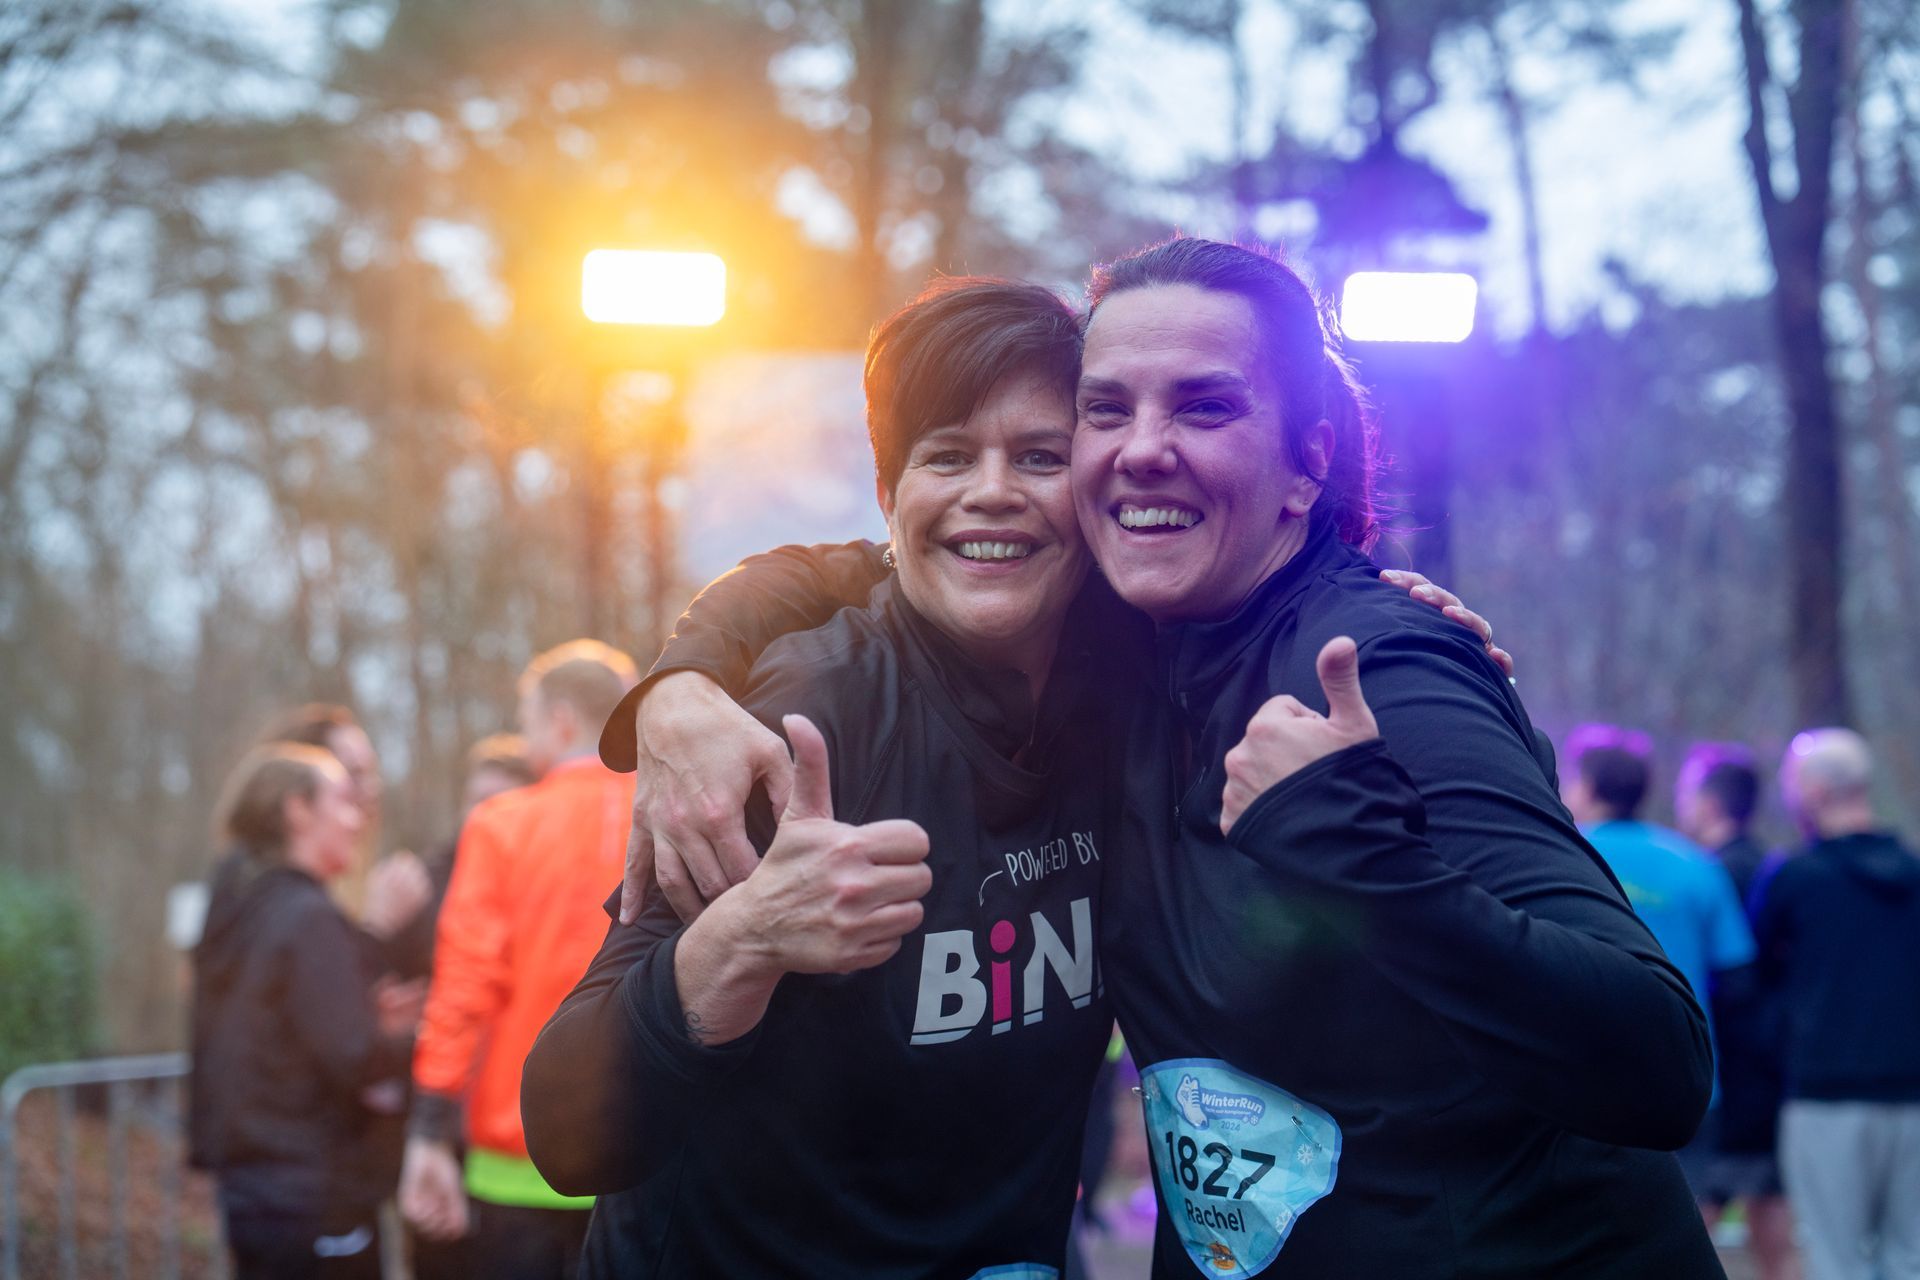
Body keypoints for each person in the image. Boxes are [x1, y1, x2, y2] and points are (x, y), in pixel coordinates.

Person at [590, 237, 1720, 1276]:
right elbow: (907, 553)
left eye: (1206, 405)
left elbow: (1658, 1060)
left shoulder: (1379, 671)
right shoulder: (1122, 645)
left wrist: (1375, 869)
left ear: (1305, 461)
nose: (1143, 449)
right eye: (1105, 410)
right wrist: (684, 681)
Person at [400, 642, 637, 1279]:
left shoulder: (501, 825)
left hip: (515, 1162)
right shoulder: (674, 809)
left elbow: (463, 985)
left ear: (560, 720)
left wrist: (427, 1131)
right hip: (652, 1163)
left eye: (527, 721)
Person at [188, 742, 423, 1280]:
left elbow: (279, 1032)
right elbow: (355, 1057)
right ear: (297, 811)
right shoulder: (307, 917)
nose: (358, 819)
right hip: (312, 1195)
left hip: (256, 1190)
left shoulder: (243, 905)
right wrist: (432, 1036)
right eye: (342, 800)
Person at [1562, 725, 1759, 1206]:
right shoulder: (1696, 864)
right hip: (1686, 1078)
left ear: (1586, 787)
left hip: (1578, 1079)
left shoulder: (1561, 857)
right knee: (1685, 1228)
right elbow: (1738, 978)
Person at [1756, 729, 1920, 1280]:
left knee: (1836, 1262)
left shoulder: (1796, 880)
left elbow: (1759, 978)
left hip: (1825, 1096)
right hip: (1913, 1093)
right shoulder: (1916, 874)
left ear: (1815, 791)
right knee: (1910, 1259)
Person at [1678, 742, 1799, 1280]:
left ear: (1707, 803)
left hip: (1725, 1068)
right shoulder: (1774, 868)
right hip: (1773, 1066)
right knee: (1771, 1213)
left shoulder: (1703, 874)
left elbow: (1730, 977)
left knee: (1690, 1215)